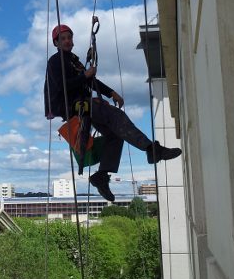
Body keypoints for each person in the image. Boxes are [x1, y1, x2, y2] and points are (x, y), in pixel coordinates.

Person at [44, 23, 182, 202]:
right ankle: (151, 149)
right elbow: (62, 85)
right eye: (63, 39)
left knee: (115, 135)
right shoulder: (56, 61)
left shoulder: (73, 62)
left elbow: (90, 81)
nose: (67, 41)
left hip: (81, 105)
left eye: (69, 37)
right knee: (116, 116)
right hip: (72, 106)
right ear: (56, 43)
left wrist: (111, 93)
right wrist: (85, 76)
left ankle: (101, 176)